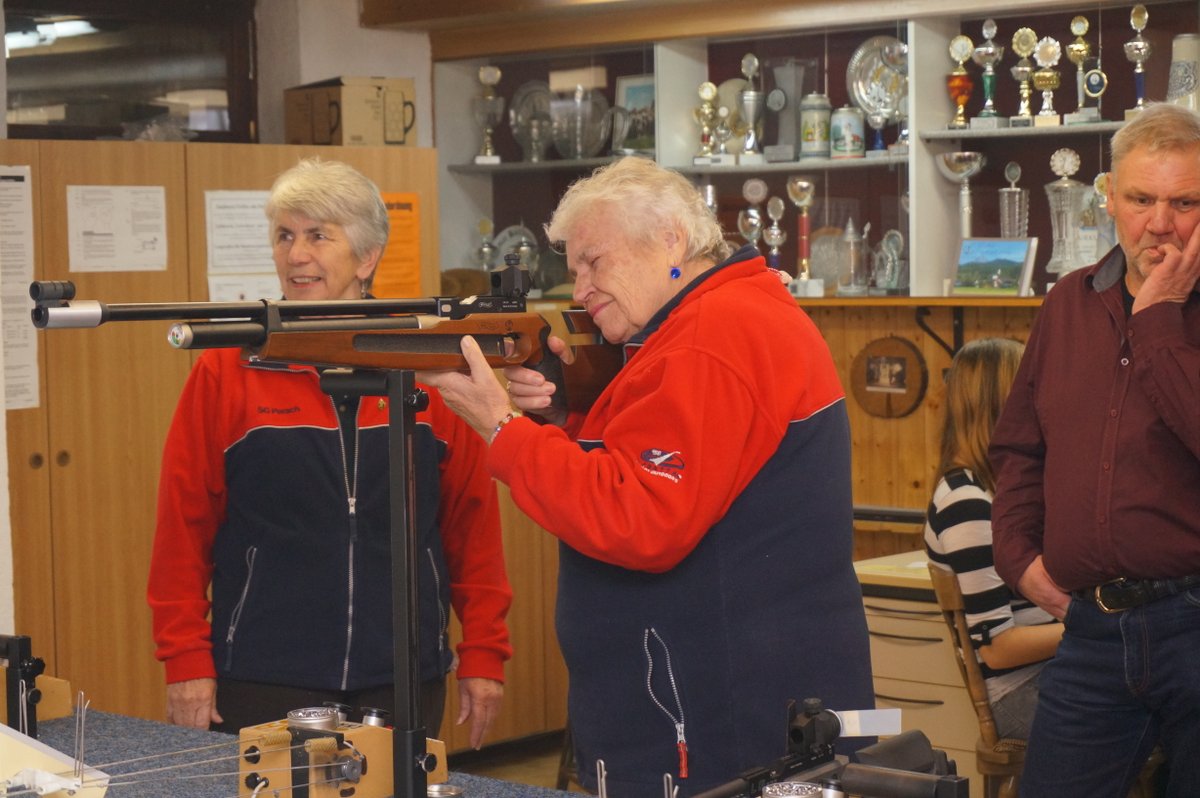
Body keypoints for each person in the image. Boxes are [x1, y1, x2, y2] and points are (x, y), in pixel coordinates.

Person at [418, 156, 874, 797]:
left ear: (671, 241)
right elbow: (646, 463)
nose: (580, 288)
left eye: (593, 262)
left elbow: (641, 519)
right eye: (574, 268)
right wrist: (566, 413)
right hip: (725, 709)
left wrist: (503, 430)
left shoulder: (708, 338)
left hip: (722, 726)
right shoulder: (713, 321)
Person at [147, 158, 512, 748]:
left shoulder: (430, 366)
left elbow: (472, 524)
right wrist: (184, 657)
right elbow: (183, 525)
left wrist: (485, 650)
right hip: (264, 671)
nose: (296, 255)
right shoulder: (227, 368)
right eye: (284, 235)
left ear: (367, 257)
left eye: (318, 236)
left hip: (403, 674)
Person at [990, 102, 1200, 797]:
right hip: (1091, 631)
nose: (1161, 223)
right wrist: (1018, 558)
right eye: (1141, 199)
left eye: (1185, 203)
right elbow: (1020, 449)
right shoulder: (1067, 304)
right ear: (1108, 198)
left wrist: (1159, 316)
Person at [923, 337, 1062, 741]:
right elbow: (998, 648)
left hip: (1047, 674)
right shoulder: (966, 502)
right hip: (1018, 691)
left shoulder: (994, 490)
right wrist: (1098, 629)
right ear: (1005, 405)